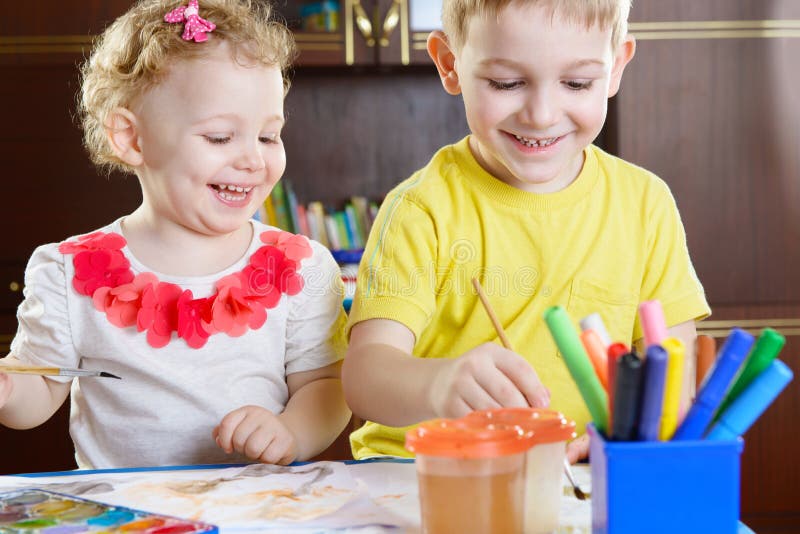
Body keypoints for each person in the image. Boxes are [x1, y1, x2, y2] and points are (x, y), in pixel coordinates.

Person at [342, 0, 710, 462]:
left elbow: (674, 381)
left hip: (577, 478)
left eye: (577, 83)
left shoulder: (645, 205)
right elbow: (365, 378)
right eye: (506, 83)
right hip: (422, 474)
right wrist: (438, 385)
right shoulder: (421, 210)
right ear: (450, 65)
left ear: (615, 68)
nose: (541, 114)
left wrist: (622, 447)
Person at [0, 0, 350, 469]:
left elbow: (327, 386)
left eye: (268, 136)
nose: (252, 159)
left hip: (255, 508)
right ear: (131, 138)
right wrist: (7, 388)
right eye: (221, 137)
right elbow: (37, 390)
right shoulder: (68, 270)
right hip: (126, 516)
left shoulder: (299, 266)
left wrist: (291, 431)